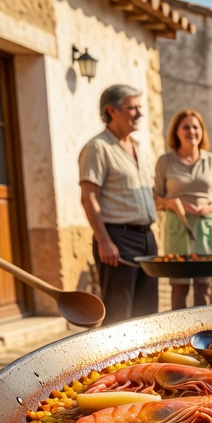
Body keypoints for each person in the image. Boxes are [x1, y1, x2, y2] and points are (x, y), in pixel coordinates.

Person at [79, 84, 158, 324]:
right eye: (132, 108)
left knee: (148, 313)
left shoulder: (140, 147)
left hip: (147, 238)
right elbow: (88, 197)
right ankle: (119, 363)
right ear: (111, 111)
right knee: (119, 315)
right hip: (118, 239)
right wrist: (104, 241)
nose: (139, 113)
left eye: (139, 107)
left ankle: (146, 363)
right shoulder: (98, 147)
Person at [154, 109, 212, 309]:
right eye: (186, 127)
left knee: (204, 288)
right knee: (179, 288)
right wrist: (171, 203)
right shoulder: (165, 162)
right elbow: (154, 198)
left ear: (202, 131)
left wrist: (211, 206)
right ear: (176, 132)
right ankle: (178, 336)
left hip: (207, 229)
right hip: (177, 228)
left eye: (195, 127)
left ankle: (204, 333)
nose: (191, 131)